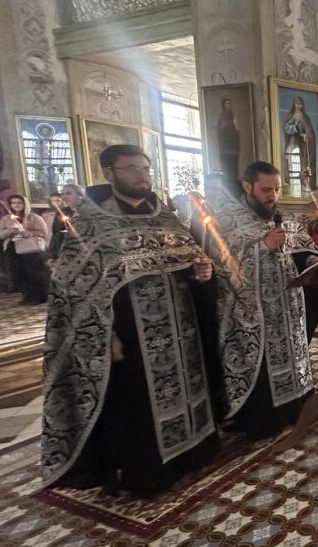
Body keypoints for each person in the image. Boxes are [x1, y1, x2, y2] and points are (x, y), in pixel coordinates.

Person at [41, 144, 219, 496]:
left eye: (146, 169)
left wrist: (202, 273)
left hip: (181, 330)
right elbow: (73, 289)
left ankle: (193, 453)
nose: (142, 176)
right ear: (109, 173)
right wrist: (104, 335)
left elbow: (188, 260)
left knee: (188, 389)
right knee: (137, 404)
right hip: (130, 334)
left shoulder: (165, 217)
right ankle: (148, 471)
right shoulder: (92, 223)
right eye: (133, 169)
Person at [206, 162, 317, 439]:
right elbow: (222, 267)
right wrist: (264, 246)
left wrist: (313, 260)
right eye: (266, 190)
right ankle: (264, 419)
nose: (273, 196)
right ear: (248, 186)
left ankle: (294, 408)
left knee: (291, 355)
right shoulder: (227, 221)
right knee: (262, 364)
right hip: (252, 314)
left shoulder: (283, 216)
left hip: (287, 309)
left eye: (277, 190)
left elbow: (302, 250)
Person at [0, 193, 49, 305]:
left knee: (33, 273)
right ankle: (26, 296)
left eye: (19, 203)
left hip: (30, 249)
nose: (16, 205)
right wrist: (10, 231)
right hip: (12, 248)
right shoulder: (6, 218)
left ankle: (39, 296)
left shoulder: (34, 217)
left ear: (25, 204)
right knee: (18, 273)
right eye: (13, 203)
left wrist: (27, 233)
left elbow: (43, 233)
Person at [46, 184, 84, 266]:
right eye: (63, 194)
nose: (64, 198)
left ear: (80, 195)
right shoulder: (61, 212)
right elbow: (56, 235)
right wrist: (51, 256)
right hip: (63, 254)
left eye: (68, 194)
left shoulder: (88, 212)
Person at [284, 96, 317, 189]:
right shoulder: (291, 115)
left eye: (300, 104)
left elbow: (310, 132)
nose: (299, 106)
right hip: (294, 143)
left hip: (304, 145)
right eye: (297, 104)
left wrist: (308, 136)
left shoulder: (306, 118)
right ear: (294, 104)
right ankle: (295, 186)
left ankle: (306, 185)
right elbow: (286, 128)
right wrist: (296, 129)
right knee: (294, 163)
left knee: (305, 164)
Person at [216, 97, 242, 179]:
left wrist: (236, 131)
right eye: (226, 103)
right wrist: (225, 125)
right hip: (225, 146)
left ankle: (234, 178)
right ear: (224, 105)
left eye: (229, 104)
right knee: (227, 165)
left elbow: (237, 128)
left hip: (233, 145)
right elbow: (219, 129)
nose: (228, 105)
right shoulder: (222, 116)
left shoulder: (232, 115)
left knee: (234, 165)